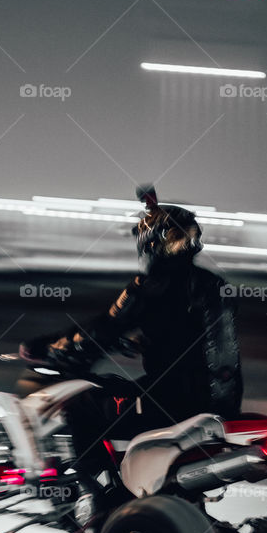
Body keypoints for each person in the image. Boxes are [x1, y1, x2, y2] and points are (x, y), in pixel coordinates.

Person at [19, 185, 243, 486]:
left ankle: (96, 497)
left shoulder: (150, 287)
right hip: (223, 405)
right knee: (120, 394)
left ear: (152, 242)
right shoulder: (216, 285)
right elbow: (197, 337)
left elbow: (100, 331)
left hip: (172, 403)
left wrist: (47, 348)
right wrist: (144, 340)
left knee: (79, 407)